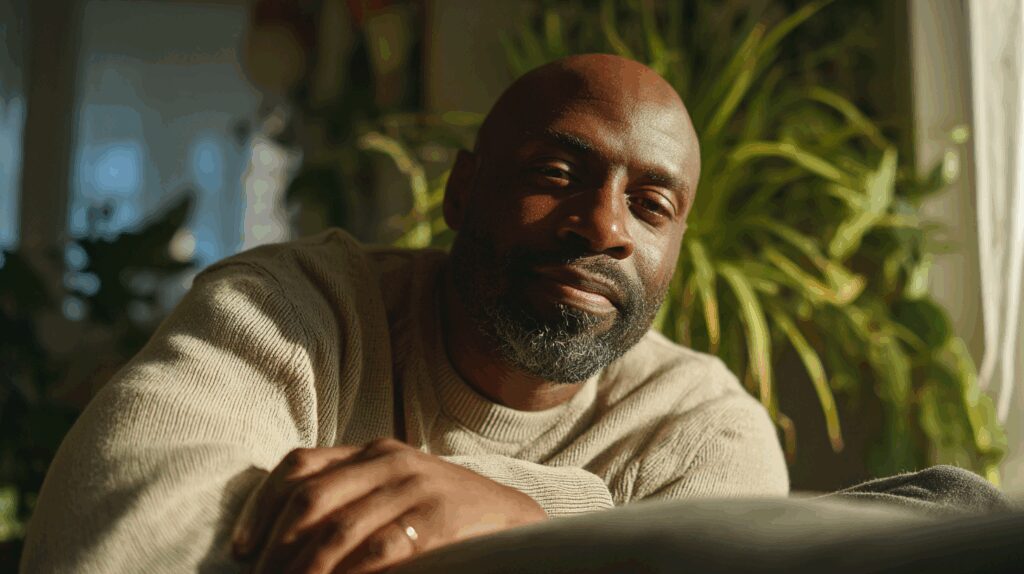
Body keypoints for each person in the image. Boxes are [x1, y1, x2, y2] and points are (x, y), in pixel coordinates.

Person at [20, 54, 787, 573]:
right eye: (557, 173)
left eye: (651, 206)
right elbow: (113, 542)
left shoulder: (702, 428)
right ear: (461, 191)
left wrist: (529, 518)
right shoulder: (291, 309)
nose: (604, 226)